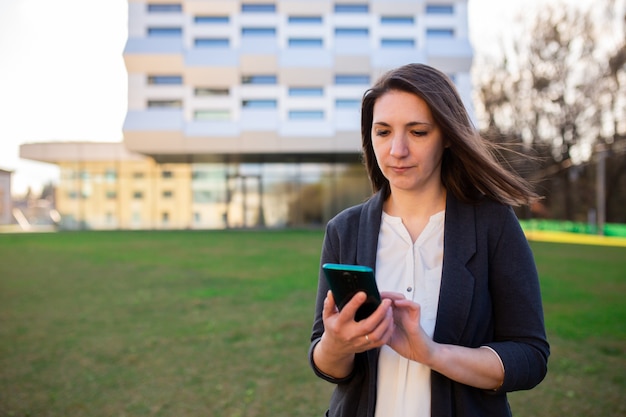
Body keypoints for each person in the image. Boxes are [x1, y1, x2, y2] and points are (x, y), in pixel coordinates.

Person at [308, 63, 549, 417]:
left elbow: (530, 356)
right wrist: (337, 342)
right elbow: (328, 365)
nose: (397, 150)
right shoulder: (344, 229)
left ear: (448, 136)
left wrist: (433, 354)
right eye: (383, 132)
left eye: (418, 132)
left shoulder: (492, 223)